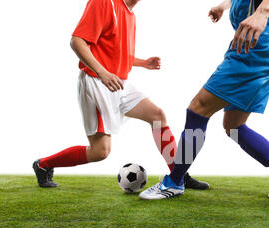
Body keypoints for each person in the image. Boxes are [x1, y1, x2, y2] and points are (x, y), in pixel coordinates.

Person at [140, 0, 269, 200]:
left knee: (198, 110)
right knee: (234, 126)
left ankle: (175, 181)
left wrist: (263, 11)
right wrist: (222, 6)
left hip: (250, 52)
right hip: (257, 51)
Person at [33, 0, 209, 191]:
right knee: (100, 152)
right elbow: (77, 41)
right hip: (96, 82)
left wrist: (143, 63)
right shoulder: (104, 3)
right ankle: (43, 164)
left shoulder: (130, 14)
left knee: (157, 116)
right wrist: (102, 72)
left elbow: (115, 52)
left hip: (118, 82)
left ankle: (178, 176)